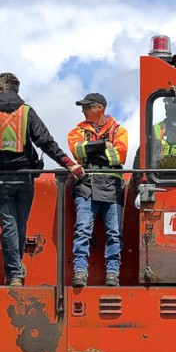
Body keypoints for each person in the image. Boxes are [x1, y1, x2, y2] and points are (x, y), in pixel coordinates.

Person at [0, 72, 84, 287]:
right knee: (20, 226)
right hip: (25, 178)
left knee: (8, 226)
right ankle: (16, 269)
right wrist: (69, 163)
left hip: (1, 179)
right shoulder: (27, 113)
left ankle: (14, 274)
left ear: (1, 89)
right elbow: (46, 142)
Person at [68, 92, 128, 287]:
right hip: (86, 187)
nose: (83, 110)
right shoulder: (76, 130)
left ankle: (112, 274)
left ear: (99, 108)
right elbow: (78, 152)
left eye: (87, 106)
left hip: (112, 188)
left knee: (114, 233)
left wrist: (91, 151)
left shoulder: (119, 131)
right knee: (83, 230)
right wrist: (104, 145)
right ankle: (80, 272)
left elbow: (119, 157)